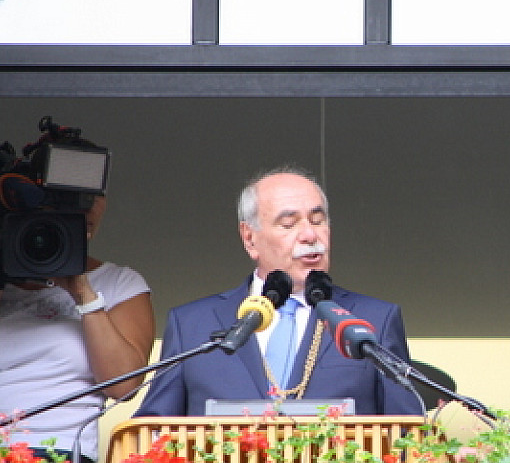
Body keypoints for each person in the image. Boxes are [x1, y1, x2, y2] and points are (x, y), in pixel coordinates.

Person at [135, 166, 422, 418]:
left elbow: (408, 434)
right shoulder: (192, 326)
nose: (310, 235)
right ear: (250, 238)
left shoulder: (374, 320)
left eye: (318, 220)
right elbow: (151, 432)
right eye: (289, 224)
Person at [0, 131, 155, 463]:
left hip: (63, 458)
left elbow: (124, 386)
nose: (88, 207)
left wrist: (82, 291)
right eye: (67, 198)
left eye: (95, 196)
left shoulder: (119, 283)